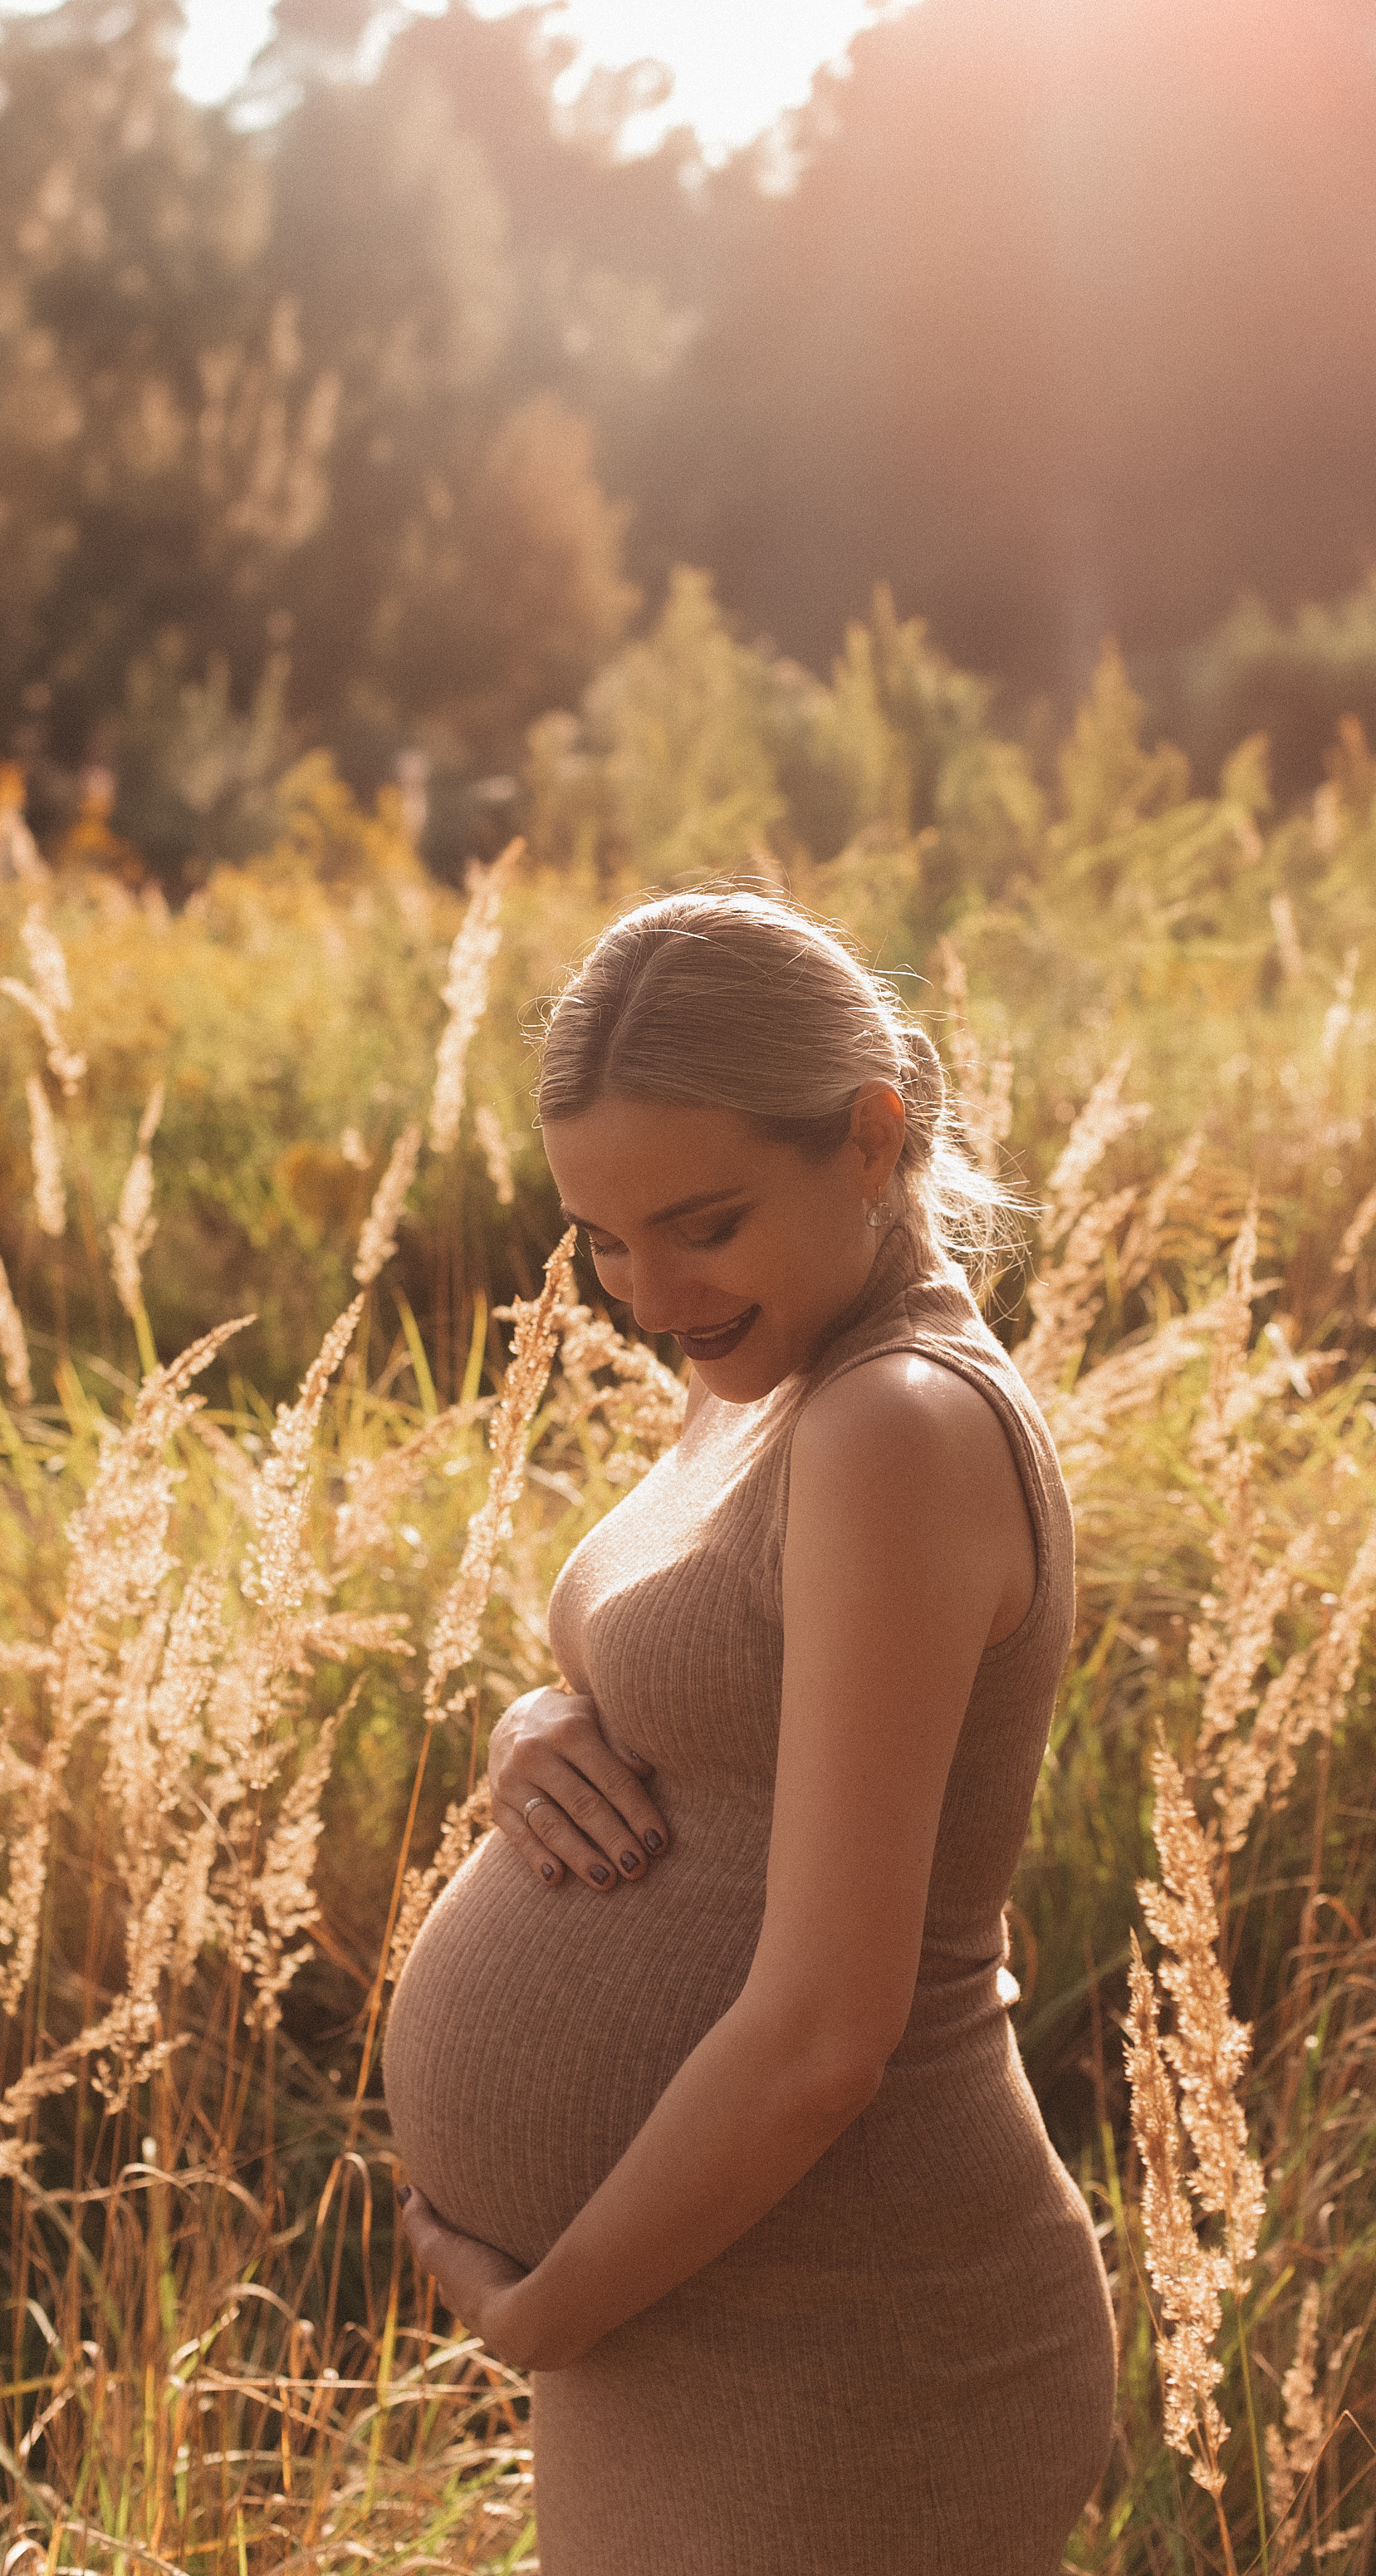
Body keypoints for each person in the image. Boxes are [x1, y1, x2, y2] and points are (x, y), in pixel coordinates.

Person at [382, 891, 1116, 2575]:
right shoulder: (782, 1368)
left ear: (872, 1138)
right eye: (601, 1239)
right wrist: (536, 1725)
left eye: (697, 1223)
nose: (646, 1292)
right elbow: (724, 1689)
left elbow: (821, 2032)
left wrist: (553, 2311)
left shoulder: (898, 1422)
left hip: (840, 2347)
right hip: (696, 2305)